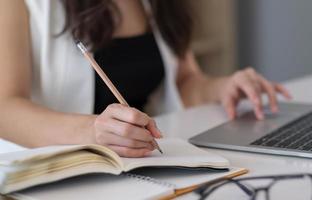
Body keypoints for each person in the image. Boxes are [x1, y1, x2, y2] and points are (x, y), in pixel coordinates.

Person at [0, 0, 291, 157]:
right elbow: (5, 108)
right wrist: (92, 131)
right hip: (57, 174)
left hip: (138, 166)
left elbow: (184, 82)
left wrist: (223, 87)